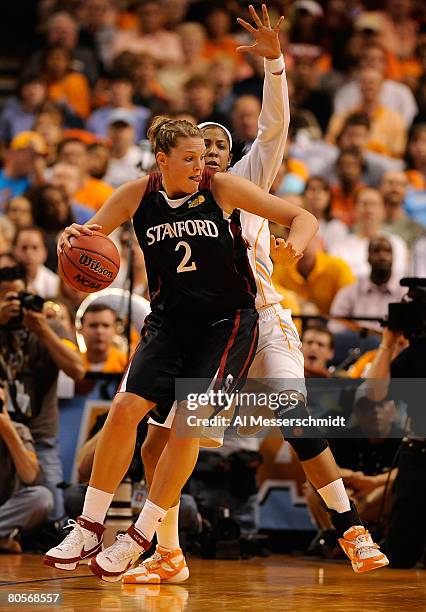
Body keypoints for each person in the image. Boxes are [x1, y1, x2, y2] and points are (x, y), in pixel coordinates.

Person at [40, 110, 315, 582]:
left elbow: (299, 215)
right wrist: (74, 237)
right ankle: (87, 526)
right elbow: (89, 235)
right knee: (125, 409)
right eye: (188, 158)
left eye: (203, 157)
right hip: (169, 322)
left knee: (189, 422)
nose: (199, 165)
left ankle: (141, 536)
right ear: (160, 160)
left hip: (226, 323)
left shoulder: (221, 187)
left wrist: (299, 242)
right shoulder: (136, 196)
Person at [0, 265, 84, 522]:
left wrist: (42, 330)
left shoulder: (49, 327)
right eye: (6, 297)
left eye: (19, 295)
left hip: (39, 436)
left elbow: (78, 370)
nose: (15, 304)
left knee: (53, 515)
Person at [0, 385, 53, 553]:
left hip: (6, 508)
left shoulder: (19, 430)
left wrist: (7, 429)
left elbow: (31, 477)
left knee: (42, 497)